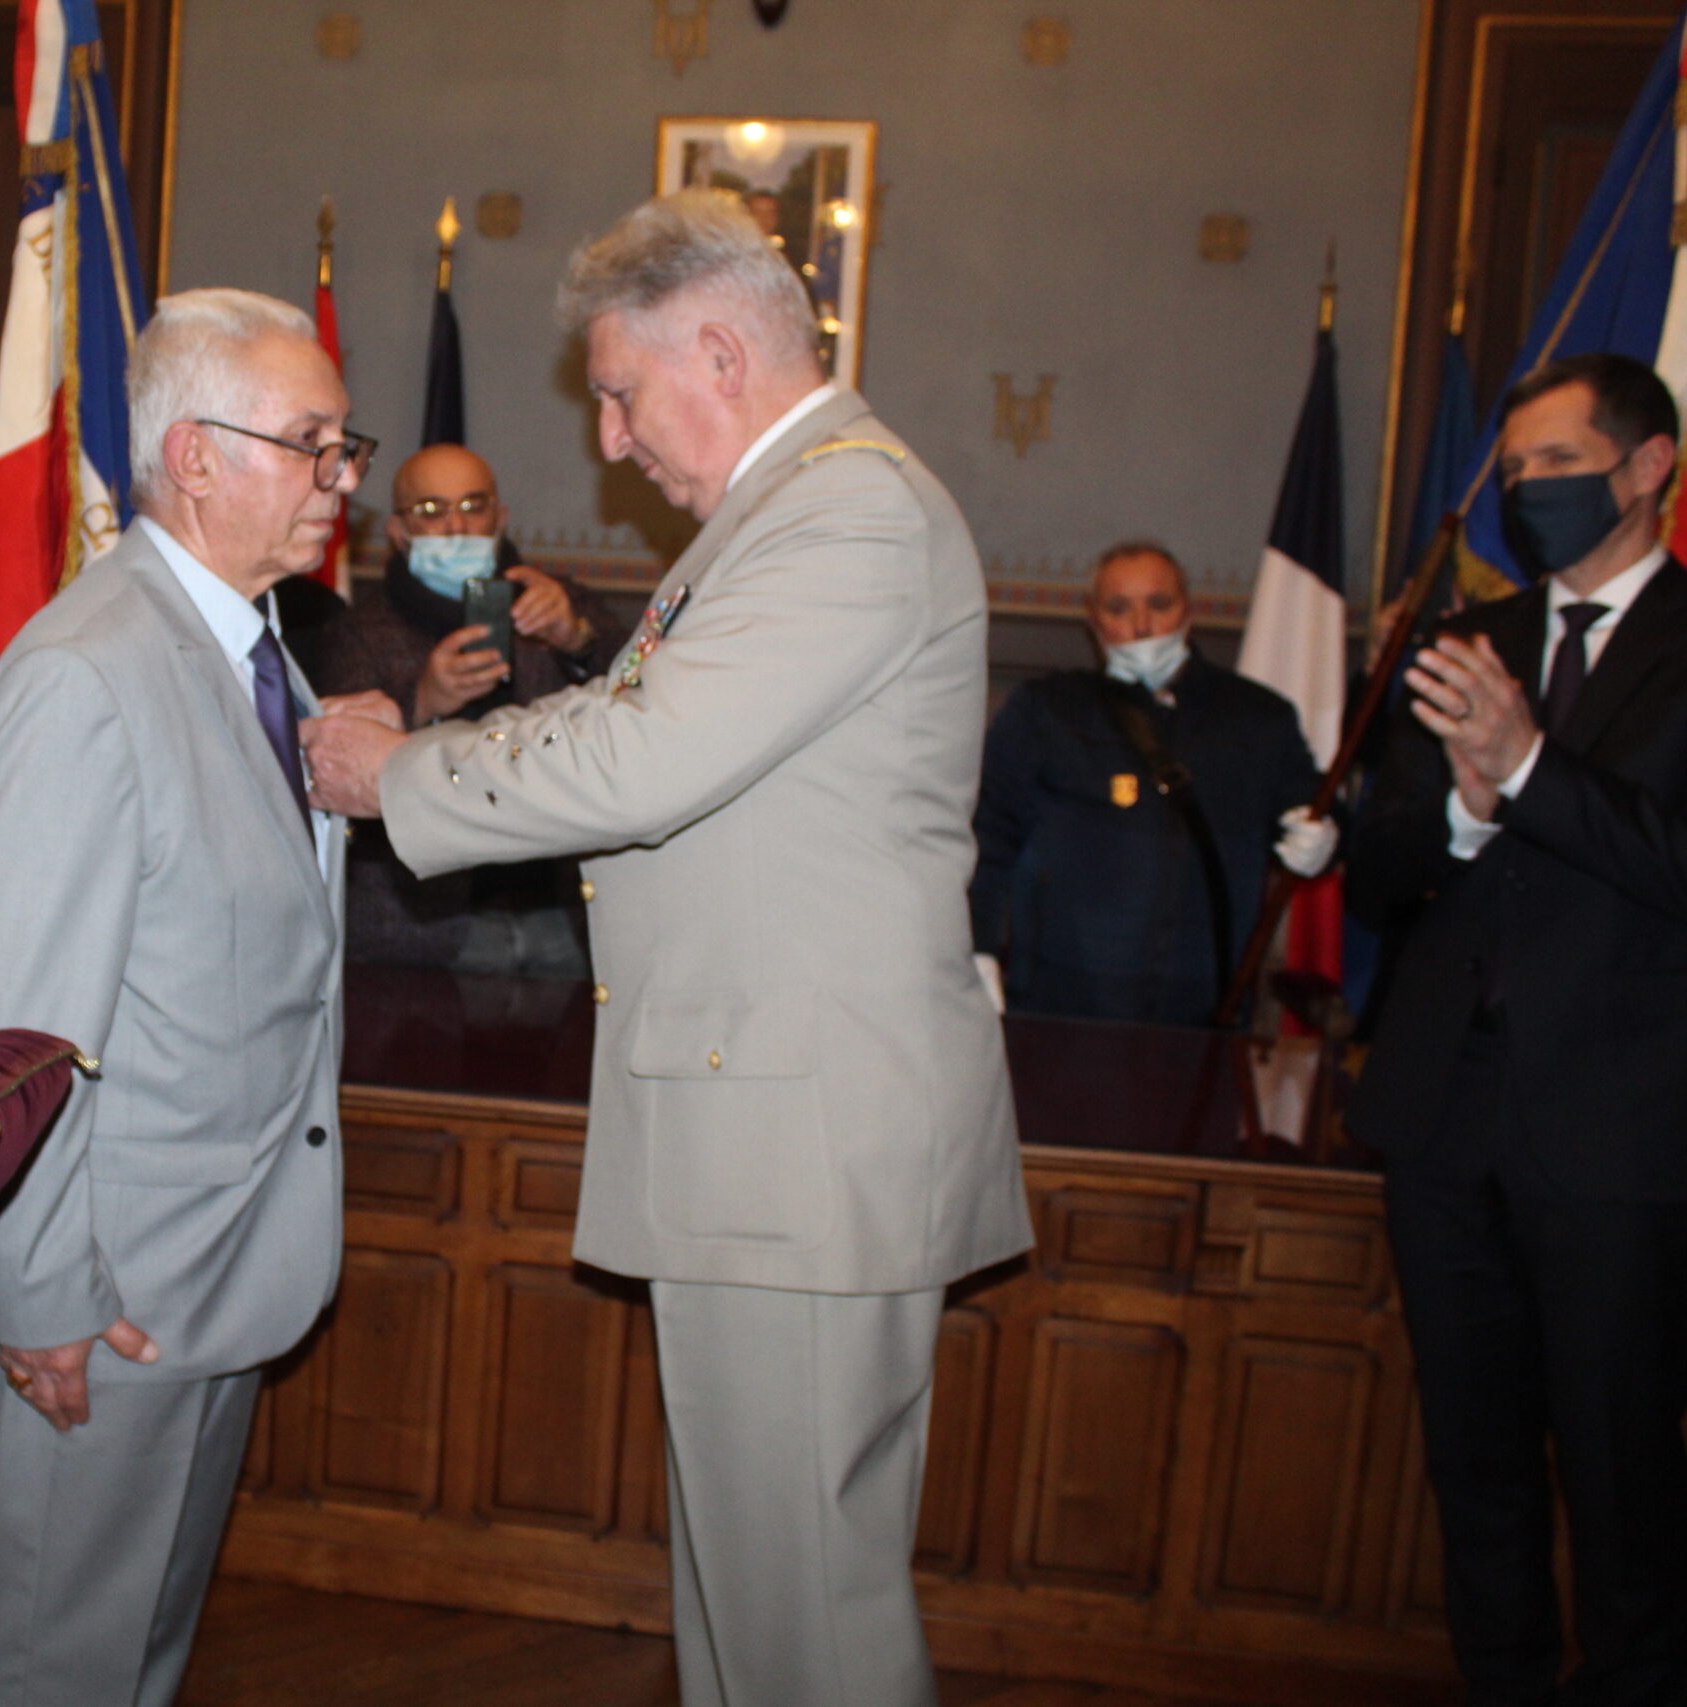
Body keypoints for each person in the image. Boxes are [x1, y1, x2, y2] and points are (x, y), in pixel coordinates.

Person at [302, 190, 1032, 1707]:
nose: (615, 439)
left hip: (800, 1143)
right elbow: (633, 722)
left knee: (804, 1621)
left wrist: (404, 777)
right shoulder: (789, 515)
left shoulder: (846, 509)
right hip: (772, 1129)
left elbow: (646, 757)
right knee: (755, 1595)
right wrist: (441, 738)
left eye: (622, 393)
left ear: (718, 347)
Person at [0, 287, 357, 1707]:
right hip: (104, 1296)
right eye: (310, 444)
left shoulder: (248, 644)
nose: (337, 479)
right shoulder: (84, 672)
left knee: (139, 1656)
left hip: (211, 1265)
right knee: (67, 1662)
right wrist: (36, 1290)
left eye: (338, 445)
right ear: (194, 454)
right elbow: (10, 1031)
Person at [1349, 350, 1687, 1707]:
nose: (1529, 490)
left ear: (1649, 464)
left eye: (1559, 462)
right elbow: (1377, 876)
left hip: (1617, 1134)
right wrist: (1465, 809)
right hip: (1444, 1119)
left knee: (1619, 1473)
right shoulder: (1466, 639)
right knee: (1474, 1461)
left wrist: (1531, 765)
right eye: (1518, 469)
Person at [968, 541, 1335, 1026]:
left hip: (1205, 1012)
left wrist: (1325, 835)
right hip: (1062, 1005)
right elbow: (986, 838)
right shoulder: (1046, 712)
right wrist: (976, 949)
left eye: (1159, 605)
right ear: (1093, 620)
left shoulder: (1258, 718)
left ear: (1190, 610)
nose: (1141, 626)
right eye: (1119, 608)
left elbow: (1311, 808)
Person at [314, 442, 622, 972]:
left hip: (557, 901)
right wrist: (423, 705)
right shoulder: (358, 631)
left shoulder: (557, 601)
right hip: (427, 924)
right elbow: (331, 767)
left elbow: (638, 710)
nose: (456, 526)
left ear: (499, 518)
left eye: (473, 506)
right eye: (431, 511)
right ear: (398, 532)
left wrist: (577, 641)